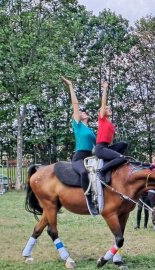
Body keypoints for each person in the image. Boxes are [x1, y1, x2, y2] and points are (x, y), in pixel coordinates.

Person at [62, 76, 97, 213]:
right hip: (79, 157)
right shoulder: (77, 126)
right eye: (80, 112)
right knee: (83, 172)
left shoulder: (90, 131)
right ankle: (87, 198)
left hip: (90, 157)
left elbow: (97, 145)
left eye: (84, 112)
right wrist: (71, 86)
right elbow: (75, 104)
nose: (82, 112)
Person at [95, 82, 127, 180]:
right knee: (121, 158)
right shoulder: (102, 119)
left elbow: (111, 140)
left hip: (107, 147)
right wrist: (105, 88)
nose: (108, 109)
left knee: (123, 144)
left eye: (109, 108)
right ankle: (101, 171)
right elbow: (103, 103)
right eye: (106, 108)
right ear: (102, 112)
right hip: (100, 149)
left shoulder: (111, 125)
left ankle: (113, 163)